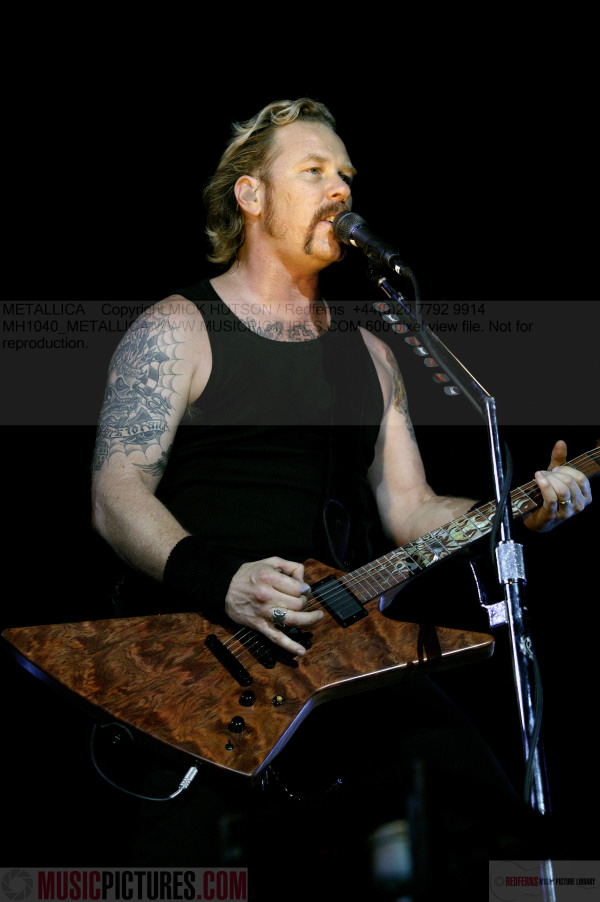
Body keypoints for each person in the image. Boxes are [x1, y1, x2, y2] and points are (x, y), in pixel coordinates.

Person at [91, 98, 592, 898]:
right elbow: (117, 493)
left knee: (489, 837)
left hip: (344, 645)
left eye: (347, 175)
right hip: (206, 655)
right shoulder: (178, 327)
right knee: (188, 873)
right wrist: (223, 580)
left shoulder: (371, 355)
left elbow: (413, 510)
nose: (340, 190)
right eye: (314, 170)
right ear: (251, 194)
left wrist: (520, 505)